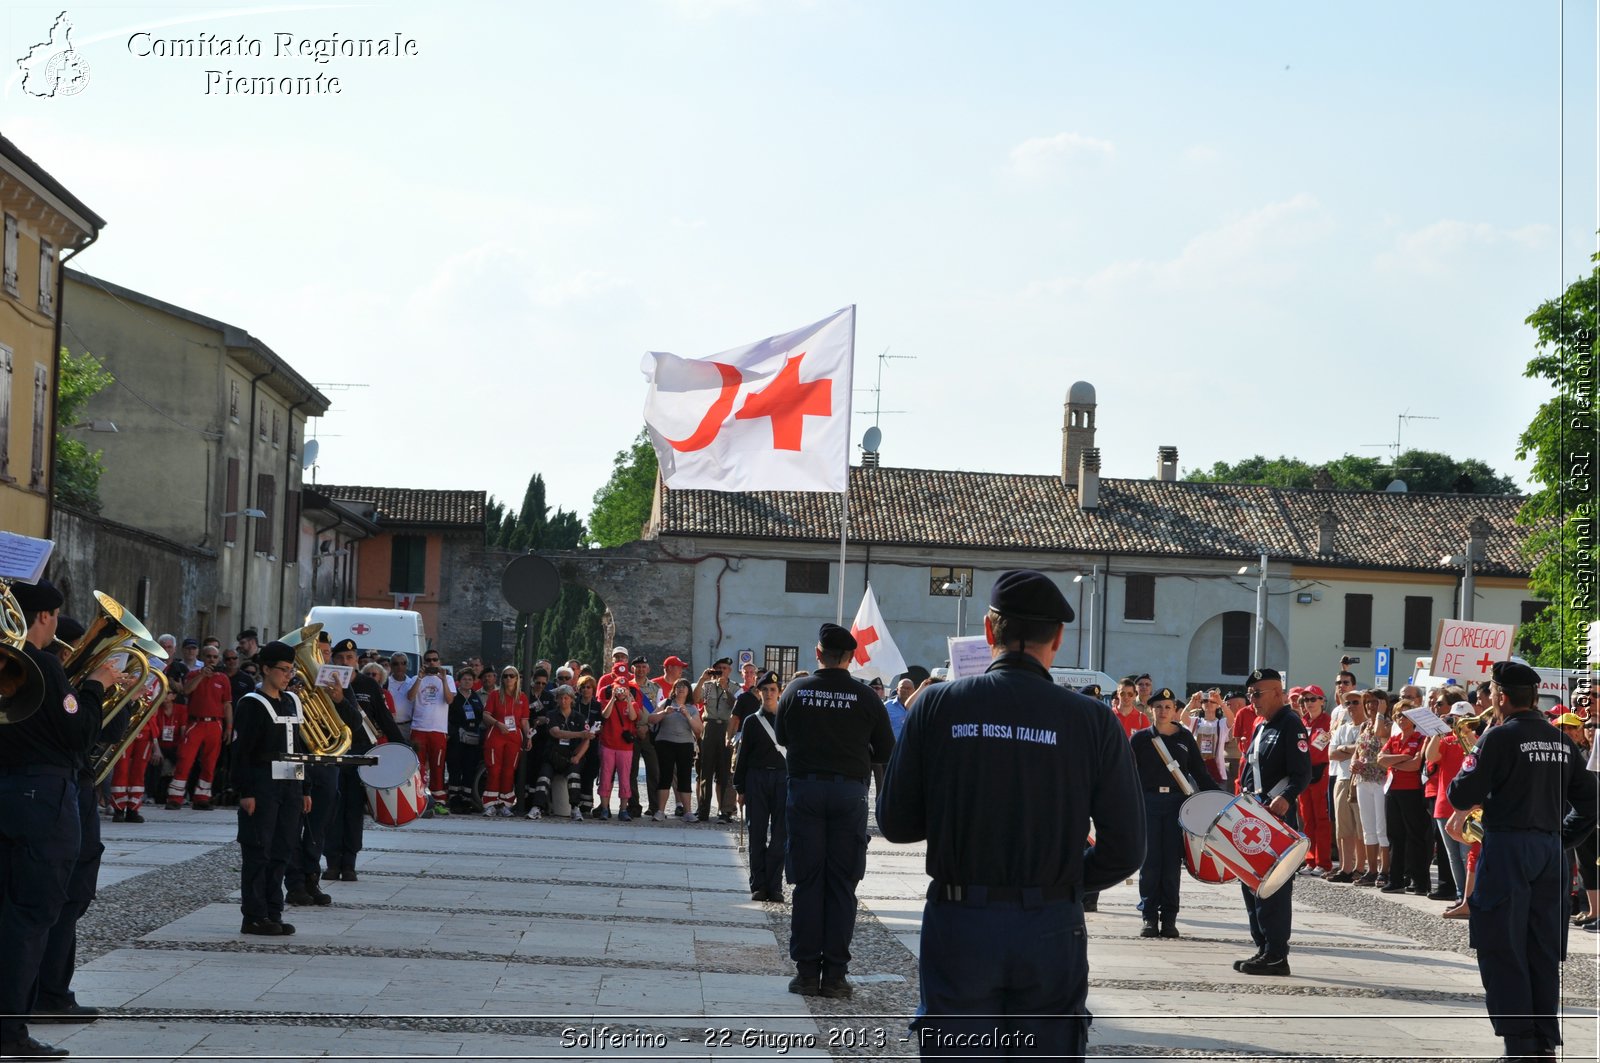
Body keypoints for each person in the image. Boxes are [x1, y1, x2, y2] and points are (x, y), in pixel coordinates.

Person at [878, 571, 1142, 1057]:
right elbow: (1127, 848)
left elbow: (896, 823)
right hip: (1050, 921)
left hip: (961, 920)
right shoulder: (1093, 721)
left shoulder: (936, 704)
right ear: (1058, 638)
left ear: (988, 629)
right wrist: (1064, 881)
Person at [1446, 661, 1598, 1063]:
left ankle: (1519, 1045)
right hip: (1550, 853)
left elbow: (1462, 794)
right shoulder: (1560, 740)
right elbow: (1590, 799)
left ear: (1500, 696)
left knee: (1502, 944)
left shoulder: (1497, 737)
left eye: (1493, 694)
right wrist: (1561, 838)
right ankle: (1544, 1043)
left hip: (1509, 849)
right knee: (1543, 949)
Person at [778, 623, 895, 999]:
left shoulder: (796, 690)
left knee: (808, 880)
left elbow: (782, 736)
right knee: (843, 884)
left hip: (806, 790)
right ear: (850, 658)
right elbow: (886, 749)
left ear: (818, 654)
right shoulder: (866, 697)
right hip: (849, 794)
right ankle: (836, 976)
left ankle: (808, 973)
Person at [26, 605, 121, 1037]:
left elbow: (101, 733)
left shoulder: (69, 684)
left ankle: (54, 990)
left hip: (77, 786)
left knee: (74, 896)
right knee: (56, 899)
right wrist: (94, 690)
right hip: (58, 792)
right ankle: (44, 993)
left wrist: (112, 698)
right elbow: (76, 730)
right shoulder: (43, 677)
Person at [1232, 667, 1310, 975]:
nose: (1252, 700)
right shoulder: (1261, 726)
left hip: (1275, 815)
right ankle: (1263, 947)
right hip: (1254, 814)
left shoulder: (1292, 725)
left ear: (1278, 692)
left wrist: (1288, 797)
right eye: (1250, 694)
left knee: (1273, 886)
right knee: (1250, 882)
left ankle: (1277, 952)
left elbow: (1302, 772)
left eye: (1257, 694)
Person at [233, 640, 313, 936]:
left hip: (291, 784)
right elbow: (241, 752)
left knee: (283, 849)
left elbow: (300, 746)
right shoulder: (251, 703)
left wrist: (306, 788)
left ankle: (273, 911)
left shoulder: (292, 701)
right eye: (282, 670)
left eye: (291, 670)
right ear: (266, 669)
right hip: (263, 784)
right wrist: (246, 791)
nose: (287, 675)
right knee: (258, 850)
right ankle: (254, 915)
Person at [1132, 687, 1220, 938]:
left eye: (1168, 707)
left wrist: (1219, 799)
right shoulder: (1140, 739)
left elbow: (1200, 774)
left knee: (1171, 863)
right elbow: (1126, 774)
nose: (1162, 711)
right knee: (1150, 863)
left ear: (1175, 711)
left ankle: (1169, 918)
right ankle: (1148, 916)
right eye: (1158, 707)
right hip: (1148, 802)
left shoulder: (1184, 738)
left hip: (1177, 804)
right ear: (1151, 710)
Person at [323, 638, 403, 881]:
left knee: (354, 810)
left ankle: (349, 863)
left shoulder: (369, 684)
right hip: (334, 752)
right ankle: (332, 861)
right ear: (333, 661)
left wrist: (403, 749)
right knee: (333, 809)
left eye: (349, 658)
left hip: (362, 753)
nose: (345, 663)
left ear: (357, 660)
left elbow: (386, 720)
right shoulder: (324, 683)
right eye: (340, 659)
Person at [734, 670, 786, 900]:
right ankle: (758, 884)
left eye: (772, 690)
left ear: (779, 692)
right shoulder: (752, 721)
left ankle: (774, 886)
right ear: (759, 693)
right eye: (764, 690)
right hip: (757, 779)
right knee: (756, 833)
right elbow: (743, 755)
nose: (768, 694)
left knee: (780, 835)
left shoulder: (788, 720)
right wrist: (740, 788)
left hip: (783, 779)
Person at [166, 642, 233, 810]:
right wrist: (202, 675)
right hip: (195, 723)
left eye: (215, 657)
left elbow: (227, 705)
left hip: (215, 724)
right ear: (202, 658)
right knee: (185, 759)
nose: (212, 660)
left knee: (210, 763)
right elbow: (186, 691)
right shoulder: (193, 674)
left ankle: (202, 797)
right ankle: (175, 798)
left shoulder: (223, 679)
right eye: (208, 656)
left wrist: (229, 727)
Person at [528, 684, 589, 821]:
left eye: (566, 698)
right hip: (553, 755)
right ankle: (537, 807)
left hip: (571, 755)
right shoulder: (551, 714)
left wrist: (578, 756)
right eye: (560, 698)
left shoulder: (579, 717)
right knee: (544, 776)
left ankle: (575, 808)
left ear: (572, 699)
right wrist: (580, 734)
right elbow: (556, 732)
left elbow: (587, 740)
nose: (563, 701)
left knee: (574, 776)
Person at [406, 650, 455, 815]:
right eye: (429, 660)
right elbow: (410, 697)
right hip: (419, 728)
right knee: (417, 766)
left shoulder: (447, 679)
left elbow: (449, 700)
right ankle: (418, 799)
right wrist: (420, 678)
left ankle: (439, 801)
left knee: (438, 766)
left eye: (435, 660)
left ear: (439, 661)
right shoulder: (415, 678)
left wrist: (443, 680)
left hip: (438, 729)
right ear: (424, 662)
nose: (432, 663)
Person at [650, 678, 704, 823]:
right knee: (665, 777)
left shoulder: (692, 708)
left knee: (685, 778)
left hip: (685, 745)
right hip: (665, 743)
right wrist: (664, 713)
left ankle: (687, 812)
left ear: (688, 691)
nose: (681, 689)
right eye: (678, 686)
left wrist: (687, 716)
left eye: (684, 687)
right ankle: (660, 811)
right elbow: (651, 719)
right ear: (674, 690)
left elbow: (699, 730)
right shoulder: (665, 703)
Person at [481, 667, 530, 817]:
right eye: (506, 676)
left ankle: (505, 803)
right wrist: (497, 723)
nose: (509, 679)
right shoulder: (495, 695)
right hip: (496, 735)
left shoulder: (522, 697)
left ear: (517, 679)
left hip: (514, 738)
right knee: (494, 769)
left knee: (509, 771)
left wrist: (528, 737)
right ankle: (490, 803)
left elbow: (524, 721)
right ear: (502, 679)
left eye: (512, 676)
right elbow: (486, 715)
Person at [694, 657, 737, 822]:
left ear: (730, 670)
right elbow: (696, 699)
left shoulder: (735, 687)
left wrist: (726, 689)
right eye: (719, 668)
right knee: (706, 770)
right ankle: (703, 810)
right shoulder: (707, 686)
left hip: (726, 728)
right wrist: (702, 679)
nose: (722, 671)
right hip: (710, 727)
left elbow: (736, 705)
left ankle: (724, 811)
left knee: (724, 772)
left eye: (725, 668)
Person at [596, 679, 640, 820]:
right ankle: (604, 808)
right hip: (608, 745)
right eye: (618, 689)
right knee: (605, 777)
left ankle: (623, 809)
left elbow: (633, 717)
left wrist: (628, 700)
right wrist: (613, 699)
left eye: (623, 689)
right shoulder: (606, 702)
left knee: (624, 778)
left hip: (625, 748)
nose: (620, 692)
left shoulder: (632, 704)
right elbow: (605, 715)